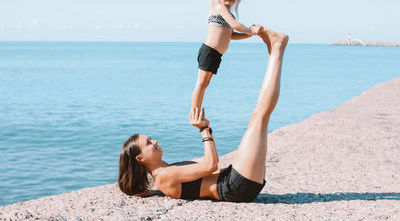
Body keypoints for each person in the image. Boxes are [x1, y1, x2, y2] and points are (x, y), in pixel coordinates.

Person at [118, 29, 289, 202]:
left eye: (151, 139)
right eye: (148, 143)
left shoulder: (169, 168)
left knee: (258, 117)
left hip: (232, 179)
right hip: (234, 187)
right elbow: (211, 165)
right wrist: (204, 129)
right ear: (140, 158)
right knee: (260, 116)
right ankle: (276, 48)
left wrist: (205, 128)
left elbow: (210, 166)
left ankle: (275, 49)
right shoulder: (163, 177)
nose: (154, 141)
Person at [191, 0, 264, 118]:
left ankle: (197, 112)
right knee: (201, 84)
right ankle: (194, 113)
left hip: (216, 54)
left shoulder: (229, 14)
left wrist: (249, 34)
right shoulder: (219, 8)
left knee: (205, 84)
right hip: (209, 51)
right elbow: (236, 25)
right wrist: (251, 31)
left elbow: (231, 35)